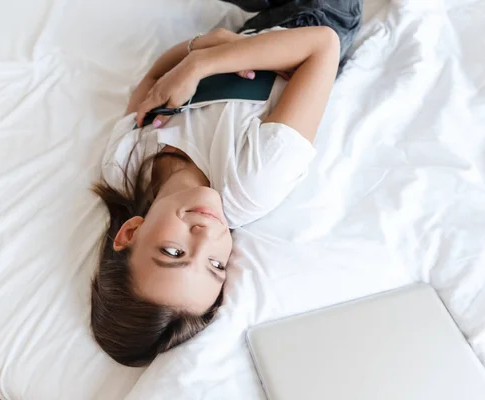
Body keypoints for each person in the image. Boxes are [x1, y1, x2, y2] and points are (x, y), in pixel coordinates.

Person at [91, 1, 362, 367]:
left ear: (130, 233)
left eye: (174, 252)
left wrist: (200, 47)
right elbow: (322, 44)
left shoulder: (122, 166)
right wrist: (203, 63)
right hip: (316, 14)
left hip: (258, 22)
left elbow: (153, 79)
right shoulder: (252, 183)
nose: (208, 235)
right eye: (216, 264)